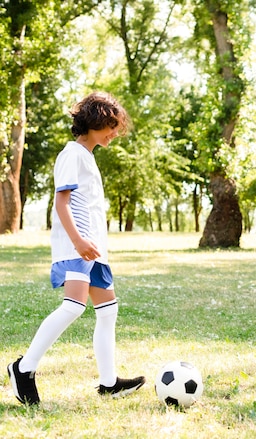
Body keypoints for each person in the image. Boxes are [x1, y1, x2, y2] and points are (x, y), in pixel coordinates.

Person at [7, 92, 145, 405]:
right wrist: (79, 241)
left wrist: (92, 243)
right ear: (94, 123)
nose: (114, 132)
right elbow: (62, 202)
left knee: (108, 311)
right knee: (73, 306)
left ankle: (109, 383)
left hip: (92, 249)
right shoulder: (72, 153)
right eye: (110, 126)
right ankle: (23, 368)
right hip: (75, 246)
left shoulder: (87, 157)